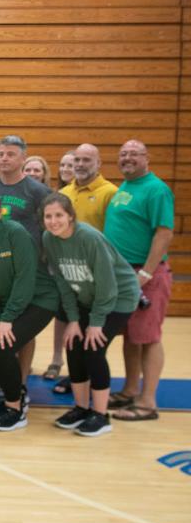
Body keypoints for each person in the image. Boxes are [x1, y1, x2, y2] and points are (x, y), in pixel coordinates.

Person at [42, 193, 140, 436]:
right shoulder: (49, 239)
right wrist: (73, 320)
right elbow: (63, 283)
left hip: (119, 298)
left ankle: (100, 415)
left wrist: (96, 323)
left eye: (59, 216)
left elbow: (108, 286)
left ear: (71, 216)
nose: (53, 221)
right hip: (86, 297)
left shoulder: (89, 238)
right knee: (74, 344)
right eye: (48, 216)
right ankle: (81, 408)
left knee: (93, 349)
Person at [0, 191, 59, 431]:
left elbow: (24, 280)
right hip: (9, 304)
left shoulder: (15, 233)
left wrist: (7, 319)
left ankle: (15, 410)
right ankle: (15, 395)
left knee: (3, 347)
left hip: (40, 300)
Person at [103, 140, 174, 422]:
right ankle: (130, 390)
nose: (127, 158)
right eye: (123, 154)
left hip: (145, 275)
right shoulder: (126, 187)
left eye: (134, 154)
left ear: (147, 158)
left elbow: (164, 233)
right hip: (124, 275)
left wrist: (145, 272)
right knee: (132, 336)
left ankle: (148, 401)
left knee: (149, 337)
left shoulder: (156, 189)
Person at [0, 135, 52, 402]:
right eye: (1, 154)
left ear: (23, 157)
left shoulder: (37, 192)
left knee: (21, 332)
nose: (5, 159)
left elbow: (50, 231)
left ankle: (20, 383)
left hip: (28, 276)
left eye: (11, 154)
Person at [46, 143, 119, 389]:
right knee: (73, 333)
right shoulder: (65, 193)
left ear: (98, 163)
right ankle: (76, 377)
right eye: (77, 159)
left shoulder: (110, 192)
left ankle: (93, 390)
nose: (79, 164)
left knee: (93, 338)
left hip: (98, 276)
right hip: (71, 274)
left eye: (86, 160)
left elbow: (113, 237)